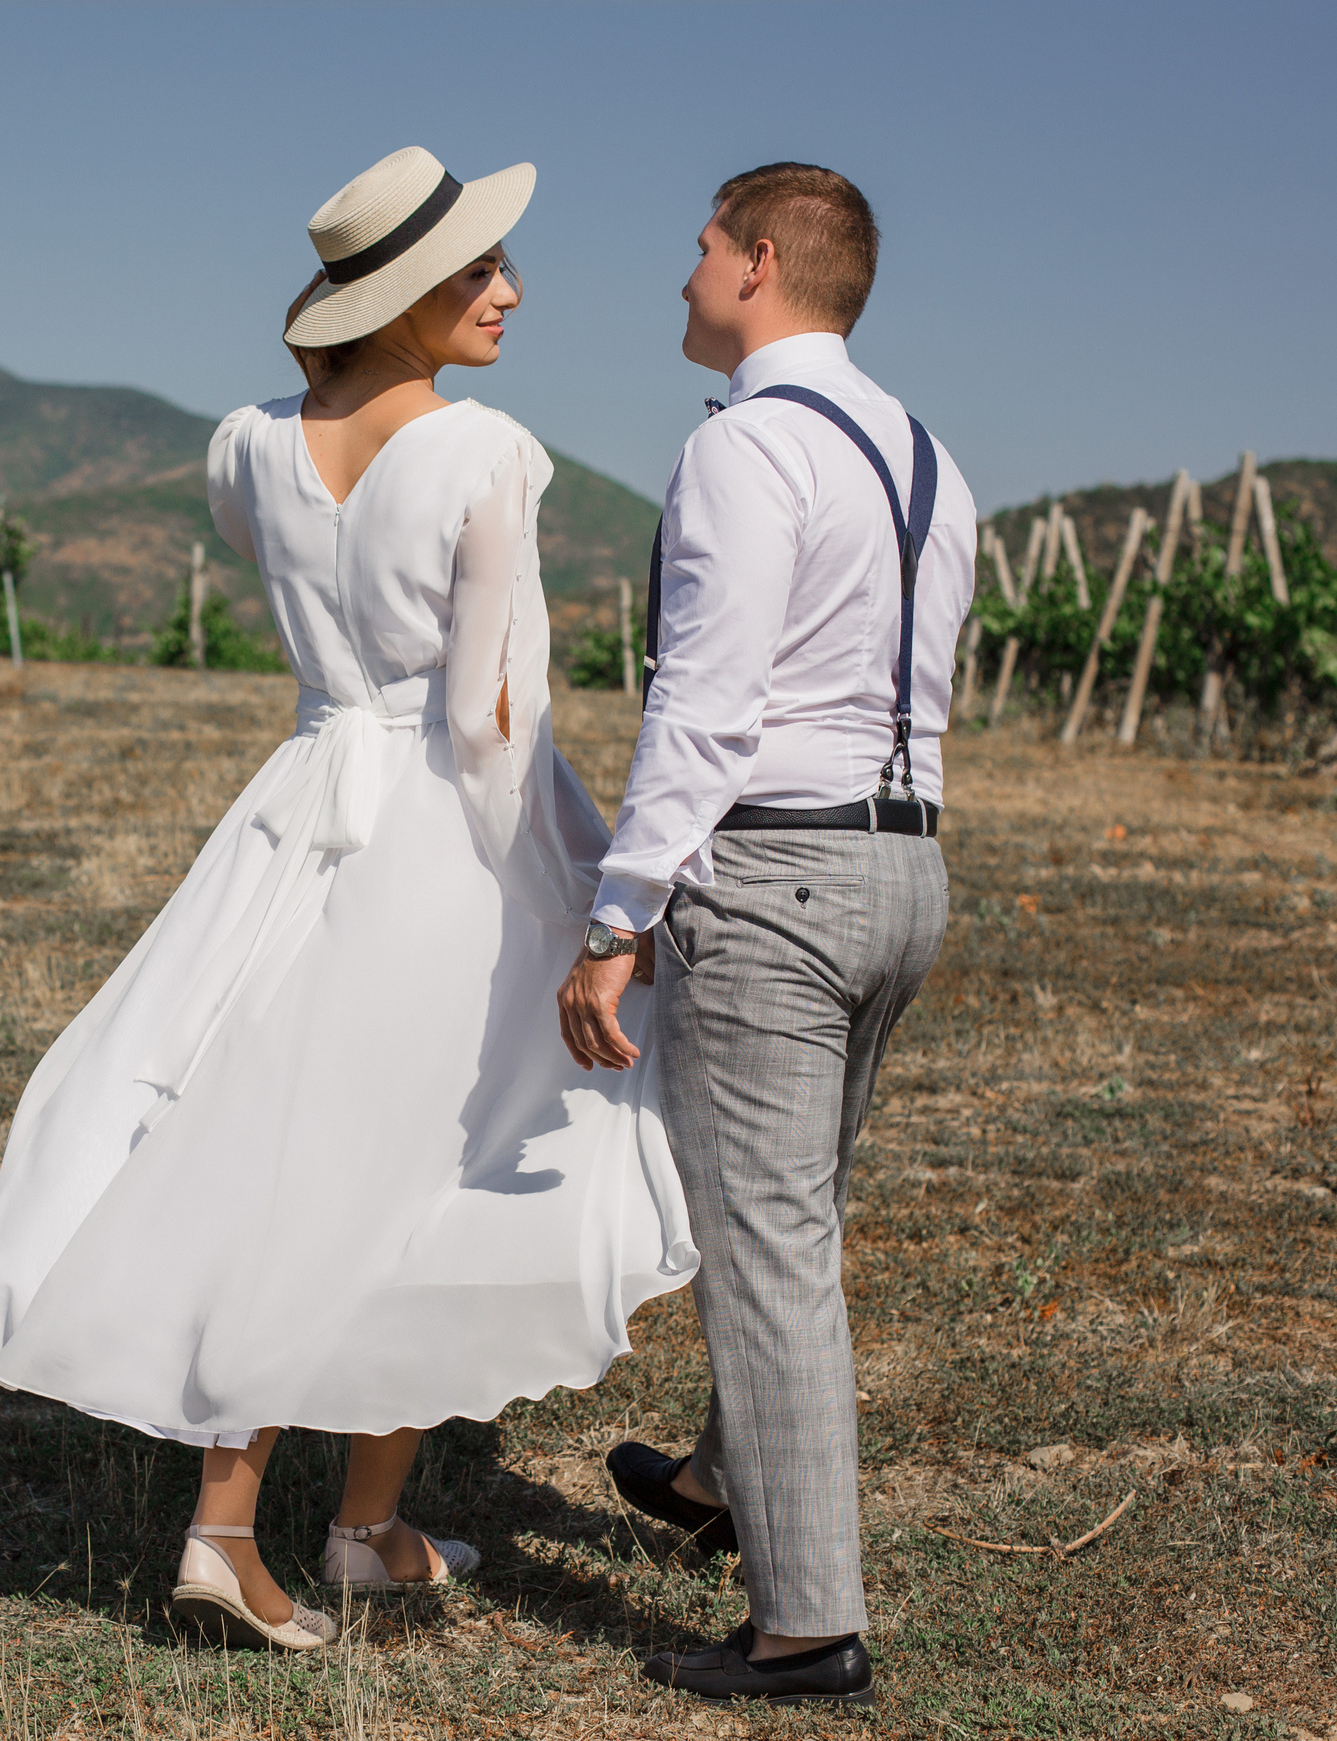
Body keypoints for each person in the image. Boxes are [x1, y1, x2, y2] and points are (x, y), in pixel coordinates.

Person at [0, 146, 698, 1652]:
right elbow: (489, 719)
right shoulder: (484, 452)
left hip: (293, 816)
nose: (510, 290)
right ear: (406, 295)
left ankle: (358, 1528)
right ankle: (244, 1531)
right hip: (443, 832)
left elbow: (311, 606)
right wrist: (574, 881)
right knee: (426, 1164)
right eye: (480, 269)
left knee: (290, 1143)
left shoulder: (247, 450)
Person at [555, 162, 975, 1709]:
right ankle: (725, 1478)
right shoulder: (929, 457)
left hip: (781, 875)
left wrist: (621, 911)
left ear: (759, 262)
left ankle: (806, 1624)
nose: (682, 277)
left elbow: (707, 702)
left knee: (769, 1239)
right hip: (905, 866)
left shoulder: (744, 447)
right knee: (797, 1208)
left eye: (700, 249)